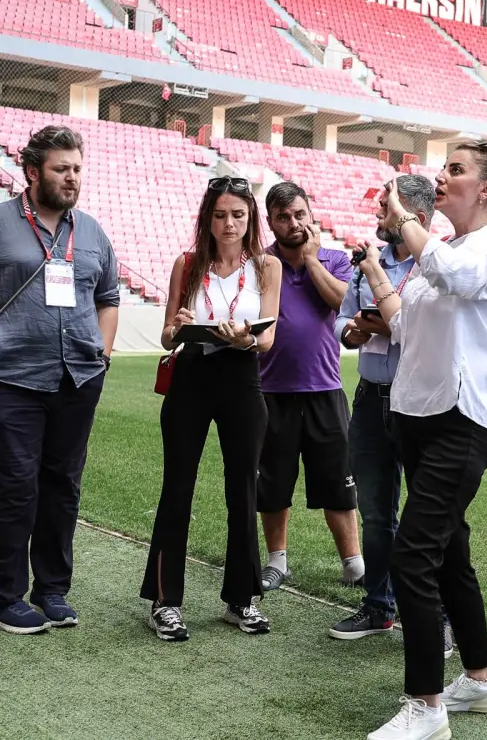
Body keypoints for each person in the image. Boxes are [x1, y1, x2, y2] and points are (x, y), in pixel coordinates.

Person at [366, 142, 487, 740]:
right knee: (449, 552)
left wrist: (404, 220)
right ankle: (482, 679)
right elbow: (404, 327)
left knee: (413, 555)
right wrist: (377, 274)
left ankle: (426, 705)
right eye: (444, 167)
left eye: (456, 169)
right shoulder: (448, 248)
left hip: (461, 420)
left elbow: (452, 276)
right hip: (420, 416)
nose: (442, 176)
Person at [141, 176, 282, 640]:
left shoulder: (267, 266)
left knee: (243, 489)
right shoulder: (188, 263)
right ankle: (164, 602)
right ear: (208, 218)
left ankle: (241, 599)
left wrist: (247, 338)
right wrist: (179, 326)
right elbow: (167, 335)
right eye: (220, 215)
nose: (229, 223)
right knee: (177, 486)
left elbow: (267, 338)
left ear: (250, 219)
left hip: (242, 376)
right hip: (192, 374)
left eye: (238, 215)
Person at [0, 125, 118, 635]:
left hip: (78, 380)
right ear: (32, 172)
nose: (72, 177)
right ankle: (7, 595)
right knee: (14, 487)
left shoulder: (90, 231)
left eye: (76, 169)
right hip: (14, 379)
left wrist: (103, 356)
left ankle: (51, 589)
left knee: (63, 486)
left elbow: (108, 298)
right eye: (61, 169)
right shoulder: (3, 223)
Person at [329, 175, 447, 643]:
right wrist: (351, 332)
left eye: (386, 208)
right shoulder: (367, 264)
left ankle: (438, 617)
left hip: (418, 402)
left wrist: (386, 323)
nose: (378, 215)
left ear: (415, 216)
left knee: (429, 517)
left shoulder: (437, 264)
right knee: (377, 514)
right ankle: (379, 606)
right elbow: (343, 317)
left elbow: (420, 327)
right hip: (370, 396)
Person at [257, 181, 362, 592]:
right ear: (271, 222)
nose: (293, 223)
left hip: (324, 389)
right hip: (271, 390)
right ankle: (277, 562)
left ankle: (353, 564)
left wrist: (312, 260)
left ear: (311, 215)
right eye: (283, 217)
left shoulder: (335, 260)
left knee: (338, 482)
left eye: (299, 214)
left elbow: (343, 303)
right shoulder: (260, 264)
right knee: (273, 483)